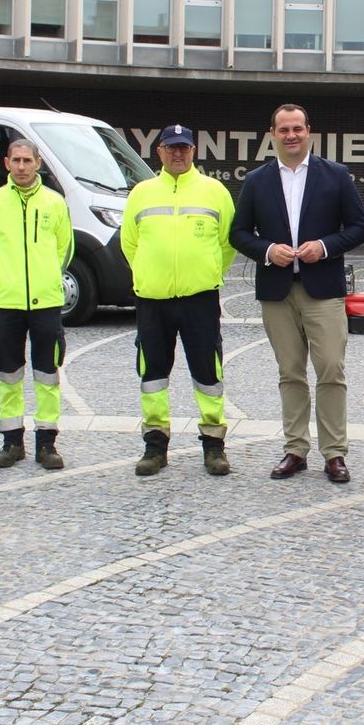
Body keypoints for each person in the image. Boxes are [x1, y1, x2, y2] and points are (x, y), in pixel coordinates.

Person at [230, 104, 364, 483]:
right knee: (290, 373)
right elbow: (238, 233)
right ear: (272, 134)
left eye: (297, 128)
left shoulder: (336, 175)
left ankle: (334, 453)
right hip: (277, 291)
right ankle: (295, 450)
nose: (291, 135)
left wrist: (324, 246)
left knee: (331, 371)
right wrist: (266, 250)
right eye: (283, 129)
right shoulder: (257, 180)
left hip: (323, 290)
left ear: (309, 131)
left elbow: (360, 227)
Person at [120, 124, 237, 478]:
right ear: (159, 152)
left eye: (184, 148)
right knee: (153, 373)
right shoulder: (141, 193)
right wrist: (148, 274)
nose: (177, 153)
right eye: (171, 148)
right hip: (153, 301)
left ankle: (213, 445)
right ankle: (155, 445)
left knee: (208, 373)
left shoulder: (214, 191)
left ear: (193, 151)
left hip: (199, 299)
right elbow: (130, 243)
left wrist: (207, 272)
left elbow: (227, 243)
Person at [0, 138, 73, 470]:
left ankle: (47, 443)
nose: (21, 166)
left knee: (47, 375)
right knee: (8, 374)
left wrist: (45, 278)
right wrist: (6, 278)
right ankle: (12, 442)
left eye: (27, 160)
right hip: (6, 303)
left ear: (38, 163)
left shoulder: (55, 203)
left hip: (45, 302)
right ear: (6, 163)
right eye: (15, 160)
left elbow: (65, 250)